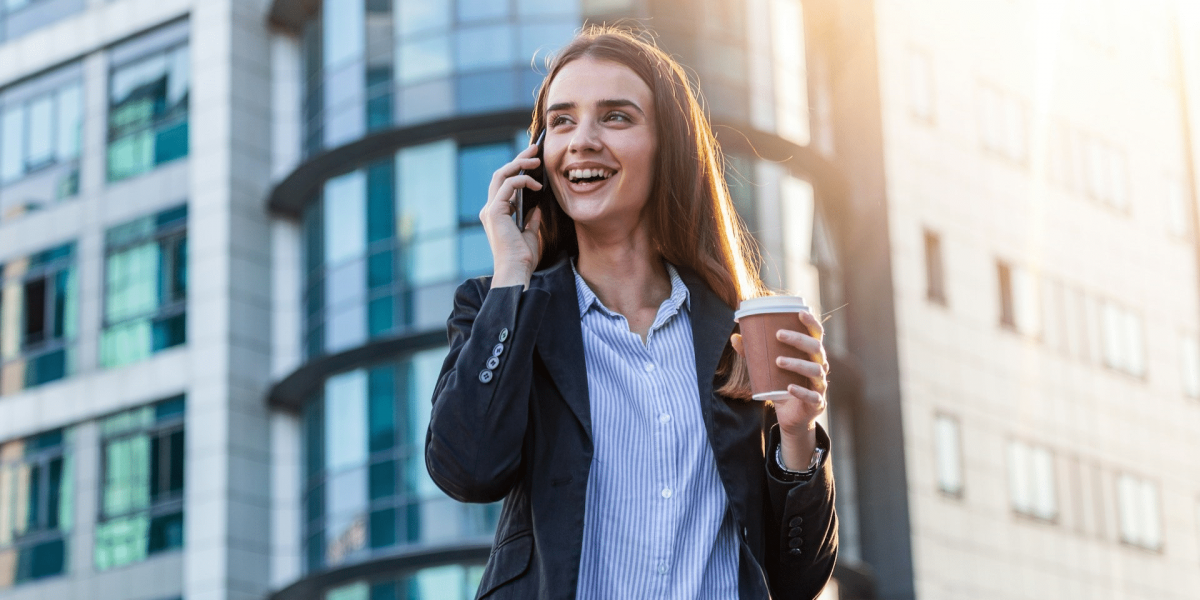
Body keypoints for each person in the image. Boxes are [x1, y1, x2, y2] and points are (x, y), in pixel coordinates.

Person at [425, 26, 837, 599]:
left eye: (615, 117)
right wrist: (512, 274)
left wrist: (796, 439)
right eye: (562, 121)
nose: (581, 141)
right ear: (537, 157)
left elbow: (799, 578)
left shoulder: (739, 332)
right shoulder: (503, 309)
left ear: (666, 145)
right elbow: (466, 469)